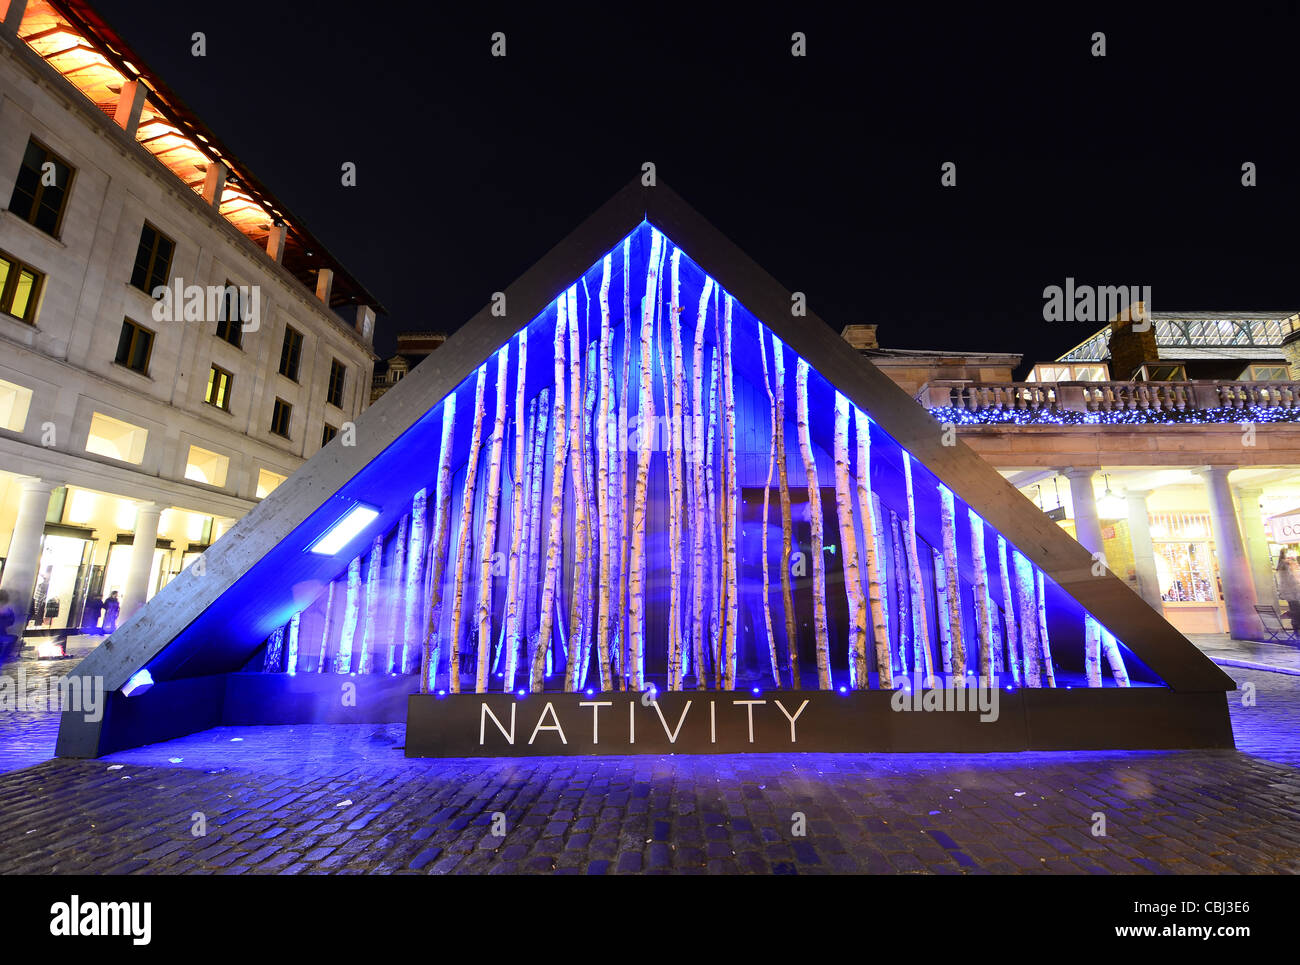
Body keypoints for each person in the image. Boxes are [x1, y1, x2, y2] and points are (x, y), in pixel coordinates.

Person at [1276, 549, 1300, 632]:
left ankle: (1296, 631)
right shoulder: (1287, 564)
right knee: (1296, 613)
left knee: (1295, 612)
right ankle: (1296, 630)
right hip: (1294, 593)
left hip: (1289, 594)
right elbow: (1293, 579)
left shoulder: (1282, 565)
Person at [0, 590, 19, 666]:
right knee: (11, 639)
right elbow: (10, 622)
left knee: (12, 638)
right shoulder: (6, 610)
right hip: (2, 635)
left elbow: (10, 622)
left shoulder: (7, 610)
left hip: (2, 634)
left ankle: (4, 658)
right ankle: (4, 657)